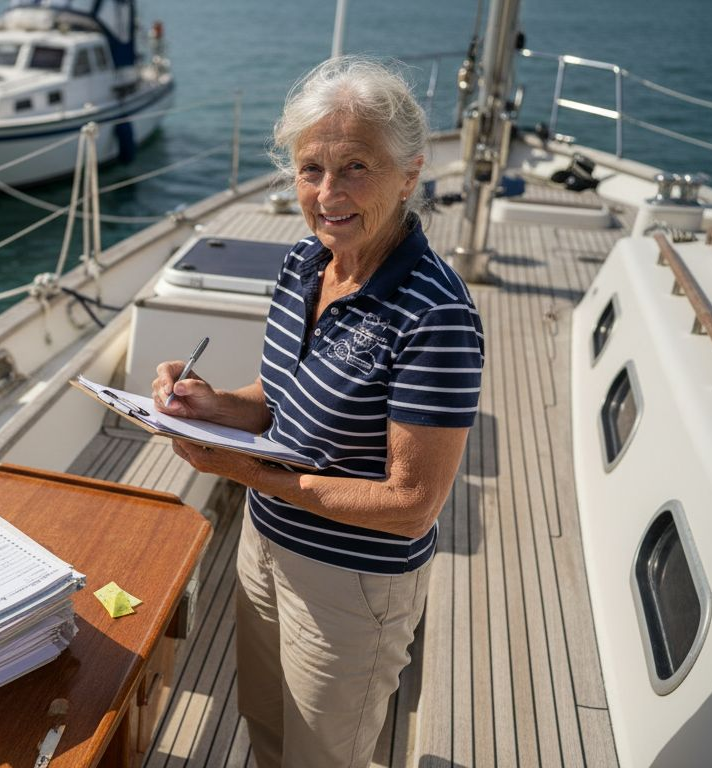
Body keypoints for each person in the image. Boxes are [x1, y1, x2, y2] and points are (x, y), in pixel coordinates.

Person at [151, 56, 484, 767]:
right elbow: (281, 396)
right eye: (310, 169)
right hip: (265, 548)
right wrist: (211, 403)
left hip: (350, 588)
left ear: (409, 174)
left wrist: (246, 473)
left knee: (322, 759)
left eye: (354, 168)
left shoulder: (435, 315)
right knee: (266, 731)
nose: (327, 193)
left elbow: (411, 504)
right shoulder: (305, 260)